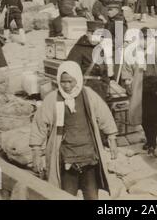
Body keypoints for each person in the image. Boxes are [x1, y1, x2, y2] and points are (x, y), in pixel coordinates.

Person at [30, 61, 118, 200]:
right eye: (63, 82)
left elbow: (104, 116)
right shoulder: (53, 98)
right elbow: (40, 123)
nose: (66, 85)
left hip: (88, 156)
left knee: (91, 195)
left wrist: (112, 139)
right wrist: (36, 151)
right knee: (65, 195)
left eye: (70, 81)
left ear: (77, 79)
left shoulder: (88, 95)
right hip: (66, 157)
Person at [122, 27, 157, 155]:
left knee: (152, 117)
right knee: (142, 117)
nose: (146, 41)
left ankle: (152, 143)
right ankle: (149, 140)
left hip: (155, 89)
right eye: (143, 38)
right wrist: (127, 80)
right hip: (139, 88)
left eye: (148, 38)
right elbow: (127, 68)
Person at [66, 21, 113, 100]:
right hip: (85, 90)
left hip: (101, 90)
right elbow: (70, 72)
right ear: (88, 33)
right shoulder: (78, 49)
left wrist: (107, 86)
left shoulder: (102, 48)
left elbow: (106, 71)